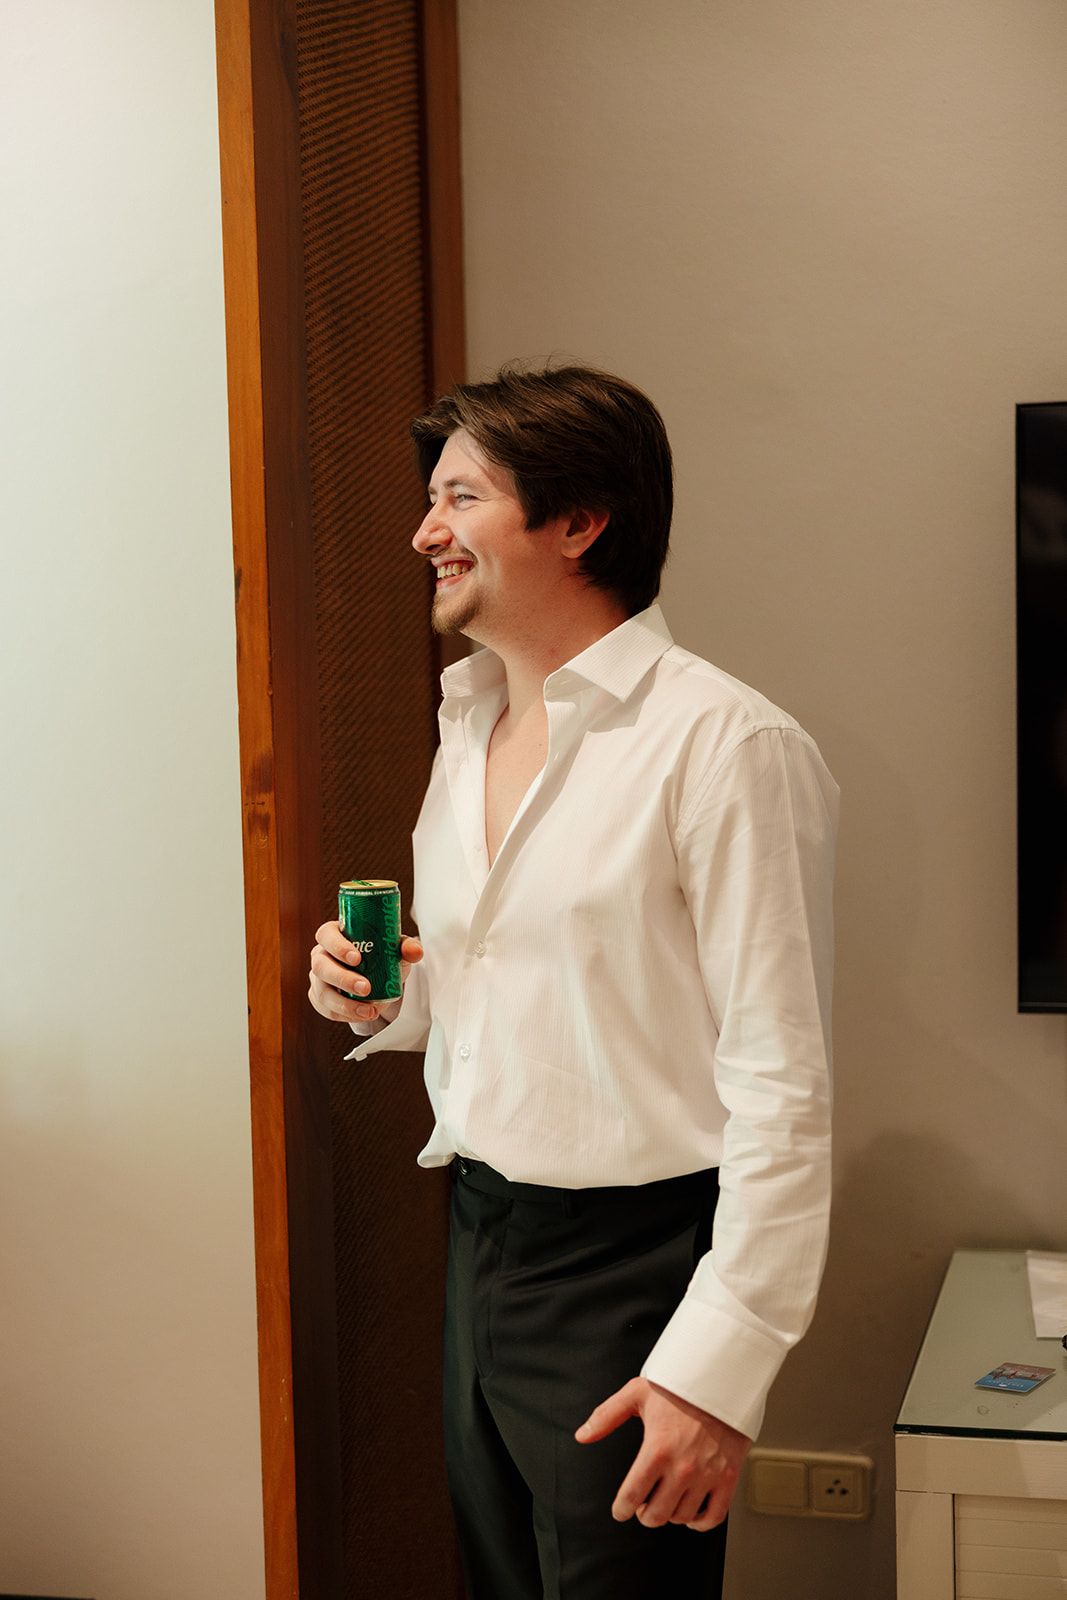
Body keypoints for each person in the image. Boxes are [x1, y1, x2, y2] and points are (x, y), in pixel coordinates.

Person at [309, 364, 837, 1600]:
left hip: (636, 1266)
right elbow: (541, 990)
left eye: (460, 498)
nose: (422, 533)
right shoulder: (468, 723)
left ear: (578, 520)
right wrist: (391, 1002)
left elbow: (781, 1084)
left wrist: (719, 1367)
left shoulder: (724, 743)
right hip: (483, 1238)